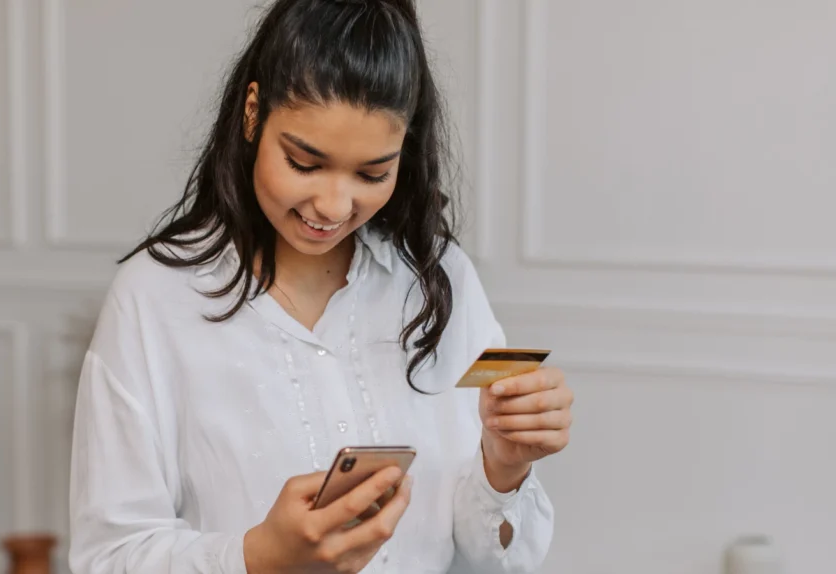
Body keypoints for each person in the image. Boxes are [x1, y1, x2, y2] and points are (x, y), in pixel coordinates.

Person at [68, 0, 575, 572]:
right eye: (304, 163)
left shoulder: (441, 279)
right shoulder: (154, 297)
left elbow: (492, 560)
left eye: (372, 174)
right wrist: (259, 557)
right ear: (253, 113)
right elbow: (109, 556)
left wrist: (504, 466)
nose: (333, 207)